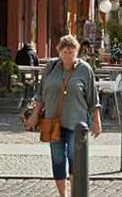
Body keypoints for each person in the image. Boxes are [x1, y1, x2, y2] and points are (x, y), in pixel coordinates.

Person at [25, 35, 102, 197]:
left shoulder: (85, 69)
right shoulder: (51, 67)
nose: (68, 50)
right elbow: (40, 94)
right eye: (64, 47)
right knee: (58, 159)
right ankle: (63, 195)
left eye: (71, 47)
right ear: (59, 51)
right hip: (52, 121)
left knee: (75, 159)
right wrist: (34, 115)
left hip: (77, 123)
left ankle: (75, 193)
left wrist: (97, 121)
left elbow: (93, 99)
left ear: (77, 51)